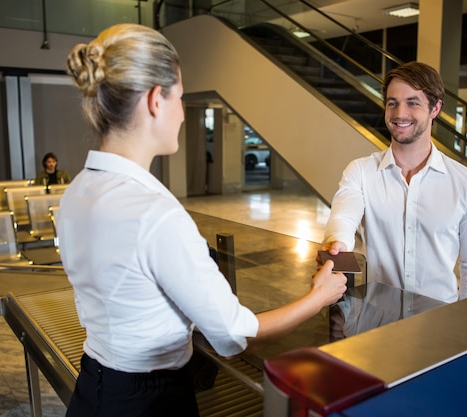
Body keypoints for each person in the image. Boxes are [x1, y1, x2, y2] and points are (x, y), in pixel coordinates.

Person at [60, 23, 347, 417]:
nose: (181, 112)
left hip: (93, 386)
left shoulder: (77, 190)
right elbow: (235, 334)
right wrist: (319, 296)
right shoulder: (155, 213)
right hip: (150, 401)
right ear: (155, 101)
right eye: (180, 96)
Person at [320, 61, 467, 304]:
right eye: (392, 103)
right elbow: (344, 218)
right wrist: (338, 241)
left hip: (440, 319)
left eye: (413, 103)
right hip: (378, 320)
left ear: (435, 108)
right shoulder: (361, 171)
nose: (400, 114)